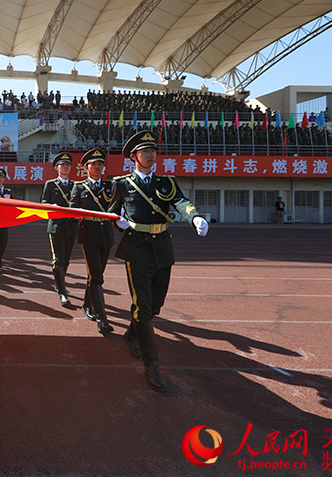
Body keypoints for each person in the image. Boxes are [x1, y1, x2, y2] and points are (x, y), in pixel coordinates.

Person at [108, 130, 209, 392]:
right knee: (142, 305)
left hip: (162, 246)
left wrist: (194, 216)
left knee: (155, 304)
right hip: (136, 248)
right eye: (144, 151)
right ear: (134, 157)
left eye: (153, 150)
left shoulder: (167, 182)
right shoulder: (122, 184)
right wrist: (118, 222)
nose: (150, 154)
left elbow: (182, 202)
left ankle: (132, 334)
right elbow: (111, 211)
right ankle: (152, 366)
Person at [70, 148, 114, 334]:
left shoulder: (110, 186)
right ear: (86, 167)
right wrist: (77, 216)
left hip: (106, 234)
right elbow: (73, 209)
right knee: (97, 277)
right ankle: (101, 318)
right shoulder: (79, 187)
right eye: (93, 164)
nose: (96, 167)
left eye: (99, 164)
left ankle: (87, 304)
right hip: (88, 234)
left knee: (96, 274)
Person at [41, 152, 79, 307]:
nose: (65, 167)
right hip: (56, 225)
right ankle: (62, 291)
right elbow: (44, 202)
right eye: (62, 165)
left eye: (68, 165)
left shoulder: (75, 185)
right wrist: (52, 207)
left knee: (67, 258)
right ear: (57, 168)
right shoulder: (50, 184)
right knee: (58, 259)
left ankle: (59, 281)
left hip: (71, 226)